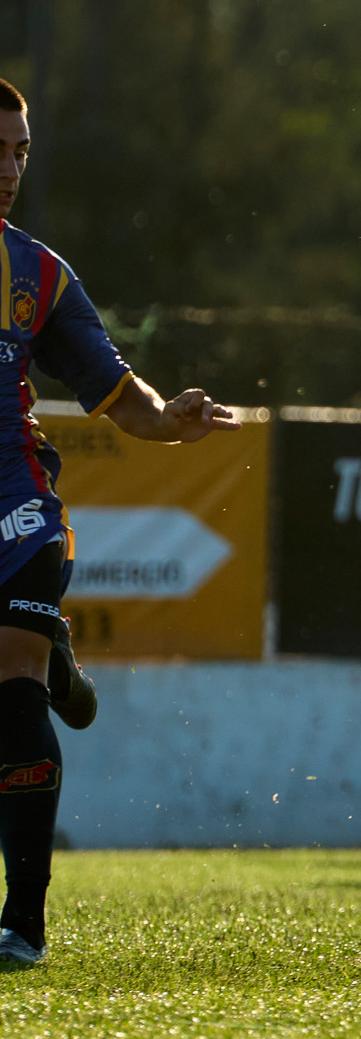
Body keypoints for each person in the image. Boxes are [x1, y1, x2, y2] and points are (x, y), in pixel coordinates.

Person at [0, 78, 239, 966]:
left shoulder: (37, 273)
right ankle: (54, 648)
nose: (10, 168)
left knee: (10, 674)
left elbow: (113, 392)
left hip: (14, 500)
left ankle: (22, 923)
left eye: (21, 149)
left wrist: (165, 417)